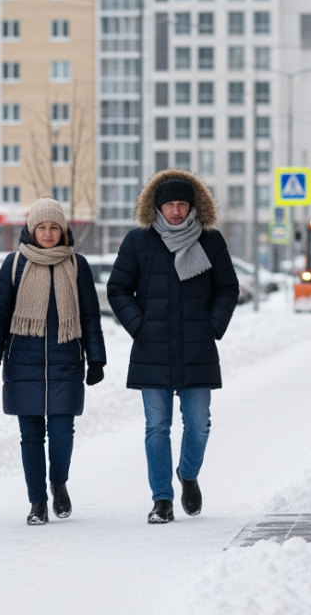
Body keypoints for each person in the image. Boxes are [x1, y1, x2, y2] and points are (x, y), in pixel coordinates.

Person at [108, 170, 241, 524]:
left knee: (199, 425)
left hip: (197, 348)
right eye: (170, 205)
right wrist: (140, 326)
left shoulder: (210, 240)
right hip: (153, 349)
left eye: (182, 204)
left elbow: (228, 288)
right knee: (157, 427)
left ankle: (188, 473)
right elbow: (118, 288)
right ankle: (162, 500)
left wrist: (212, 325)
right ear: (158, 207)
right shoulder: (138, 241)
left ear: (193, 206)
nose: (177, 211)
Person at [0, 198, 107, 526]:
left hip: (66, 362)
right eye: (42, 227)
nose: (48, 233)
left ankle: (58, 483)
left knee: (63, 433)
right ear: (31, 229)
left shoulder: (77, 265)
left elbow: (90, 316)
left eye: (54, 227)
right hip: (23, 364)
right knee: (31, 436)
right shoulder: (14, 264)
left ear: (63, 230)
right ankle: (37, 502)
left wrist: (96, 359)